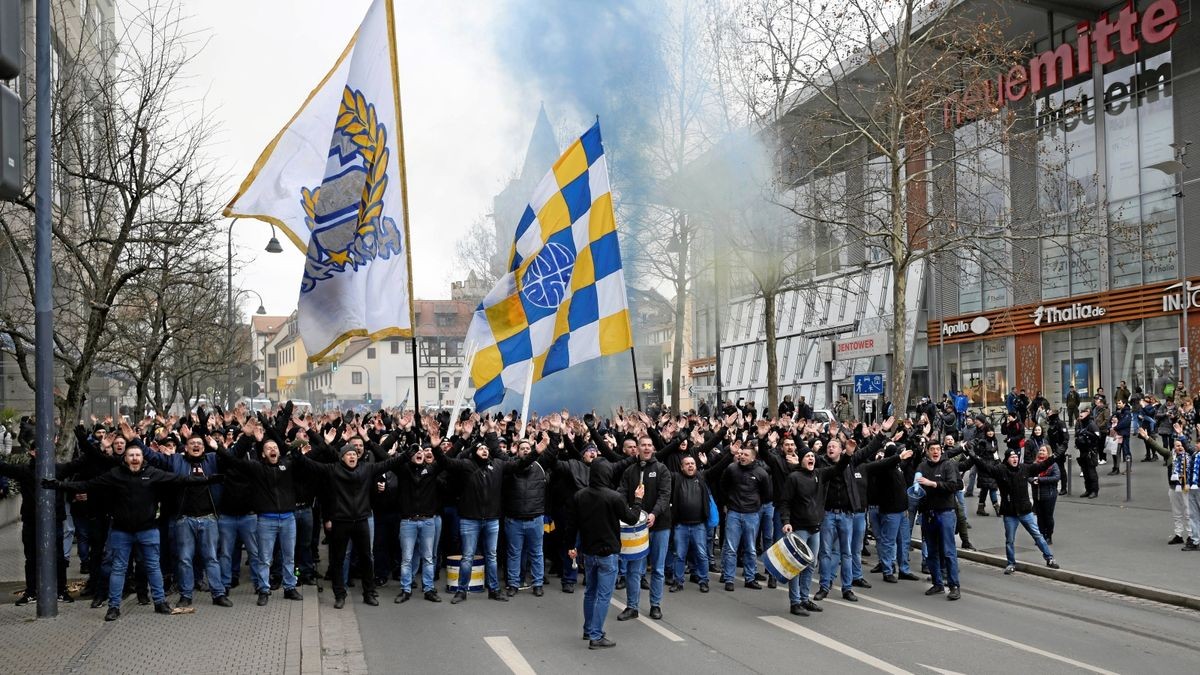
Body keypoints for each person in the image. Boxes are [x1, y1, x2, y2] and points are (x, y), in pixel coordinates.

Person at [42, 444, 217, 621]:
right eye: (131, 455)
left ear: (142, 458)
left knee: (153, 567)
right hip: (121, 531)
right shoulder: (115, 474)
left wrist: (208, 479)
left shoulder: (153, 473)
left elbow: (181, 479)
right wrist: (59, 485)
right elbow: (89, 484)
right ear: (125, 458)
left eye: (137, 455)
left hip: (148, 530)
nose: (134, 458)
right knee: (118, 569)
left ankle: (160, 602)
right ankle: (114, 607)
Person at [430, 418, 539, 605]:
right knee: (467, 557)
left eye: (486, 449)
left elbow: (519, 464)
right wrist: (436, 449)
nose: (485, 450)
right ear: (474, 452)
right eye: (481, 448)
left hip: (491, 520)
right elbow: (446, 463)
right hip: (469, 520)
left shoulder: (497, 465)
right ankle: (462, 591)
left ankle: (494, 590)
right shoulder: (466, 465)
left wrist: (536, 452)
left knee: (492, 556)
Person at [291, 439, 411, 609]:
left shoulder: (366, 468)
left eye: (354, 454)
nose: (352, 456)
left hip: (361, 520)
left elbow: (389, 463)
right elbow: (312, 465)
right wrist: (297, 455)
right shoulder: (333, 469)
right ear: (342, 457)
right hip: (341, 522)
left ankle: (368, 593)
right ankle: (340, 595)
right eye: (349, 454)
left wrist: (407, 454)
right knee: (338, 560)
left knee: (366, 559)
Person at [563, 461, 645, 650]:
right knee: (603, 595)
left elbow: (571, 524)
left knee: (590, 592)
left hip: (589, 552)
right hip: (608, 553)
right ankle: (596, 635)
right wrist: (638, 500)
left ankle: (588, 628)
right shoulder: (613, 497)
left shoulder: (579, 496)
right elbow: (631, 519)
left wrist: (571, 546)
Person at [0, 445, 85, 605]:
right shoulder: (24, 471)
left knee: (59, 557)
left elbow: (79, 464)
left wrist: (94, 445)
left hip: (55, 520)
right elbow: (4, 467)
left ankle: (60, 591)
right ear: (32, 452)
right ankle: (32, 592)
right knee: (31, 557)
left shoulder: (57, 469)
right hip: (32, 521)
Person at [969, 448, 1060, 574]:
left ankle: (1049, 558)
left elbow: (1042, 465)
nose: (1015, 459)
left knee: (1037, 535)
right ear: (1007, 459)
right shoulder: (1000, 470)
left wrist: (1055, 456)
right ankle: (1011, 563)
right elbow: (985, 467)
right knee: (1010, 540)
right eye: (1012, 457)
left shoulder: (1025, 468)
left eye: (1016, 457)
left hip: (1025, 510)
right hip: (1009, 512)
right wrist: (973, 455)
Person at [617, 435, 672, 621]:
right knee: (634, 569)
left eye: (650, 445)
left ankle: (655, 605)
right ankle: (632, 607)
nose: (647, 448)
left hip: (660, 526)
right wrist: (625, 513)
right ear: (637, 448)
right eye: (643, 445)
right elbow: (621, 494)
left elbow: (665, 496)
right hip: (636, 528)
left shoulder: (662, 469)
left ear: (653, 448)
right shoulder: (629, 471)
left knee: (657, 568)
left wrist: (654, 513)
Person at [720, 439, 770, 595]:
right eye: (741, 454)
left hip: (752, 515)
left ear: (753, 458)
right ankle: (729, 578)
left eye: (746, 455)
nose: (742, 456)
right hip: (734, 513)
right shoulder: (731, 469)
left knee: (751, 548)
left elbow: (766, 494)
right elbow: (723, 486)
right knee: (730, 548)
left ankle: (750, 578)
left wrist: (755, 505)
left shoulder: (761, 473)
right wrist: (728, 503)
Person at [915, 441, 962, 600]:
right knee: (931, 552)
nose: (935, 452)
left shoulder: (948, 465)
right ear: (927, 451)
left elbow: (953, 485)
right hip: (928, 513)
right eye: (932, 449)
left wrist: (932, 484)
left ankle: (954, 586)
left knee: (948, 551)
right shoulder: (922, 467)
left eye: (938, 449)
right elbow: (917, 487)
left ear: (941, 451)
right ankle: (937, 583)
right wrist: (916, 491)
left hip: (945, 512)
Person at [1138, 426, 1196, 548]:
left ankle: (1192, 536)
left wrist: (1181, 435)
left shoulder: (1191, 455)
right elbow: (1158, 448)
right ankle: (1178, 535)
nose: (1179, 447)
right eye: (1177, 445)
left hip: (1186, 489)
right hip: (1173, 488)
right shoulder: (1170, 455)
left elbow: (1191, 449)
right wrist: (1147, 437)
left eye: (1181, 445)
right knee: (1177, 513)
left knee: (1188, 513)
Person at [1030, 447, 1060, 545]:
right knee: (1039, 517)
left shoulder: (1052, 464)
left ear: (1048, 453)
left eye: (1044, 451)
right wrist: (1032, 480)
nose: (1041, 452)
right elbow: (1028, 475)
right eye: (1040, 450)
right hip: (1037, 494)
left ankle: (1049, 536)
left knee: (1048, 516)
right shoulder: (1035, 464)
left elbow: (1056, 477)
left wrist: (1041, 480)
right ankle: (1041, 535)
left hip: (1049, 494)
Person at [1074, 409, 1102, 499]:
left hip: (1091, 451)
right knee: (1085, 472)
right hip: (1083, 450)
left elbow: (1098, 437)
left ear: (1087, 415)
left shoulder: (1091, 424)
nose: (1080, 416)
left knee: (1091, 472)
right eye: (1080, 414)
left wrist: (1087, 433)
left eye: (1082, 415)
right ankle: (1088, 490)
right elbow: (1077, 434)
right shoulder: (1080, 423)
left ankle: (1094, 491)